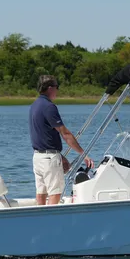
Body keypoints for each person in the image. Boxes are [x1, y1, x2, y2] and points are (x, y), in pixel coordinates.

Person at [29, 75, 94, 205]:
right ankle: (51, 222)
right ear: (50, 88)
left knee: (41, 191)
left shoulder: (34, 105)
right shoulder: (49, 107)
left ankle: (41, 218)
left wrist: (60, 156)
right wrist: (84, 154)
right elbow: (65, 133)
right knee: (55, 192)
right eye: (56, 87)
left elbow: (43, 135)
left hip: (37, 157)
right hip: (49, 159)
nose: (57, 91)